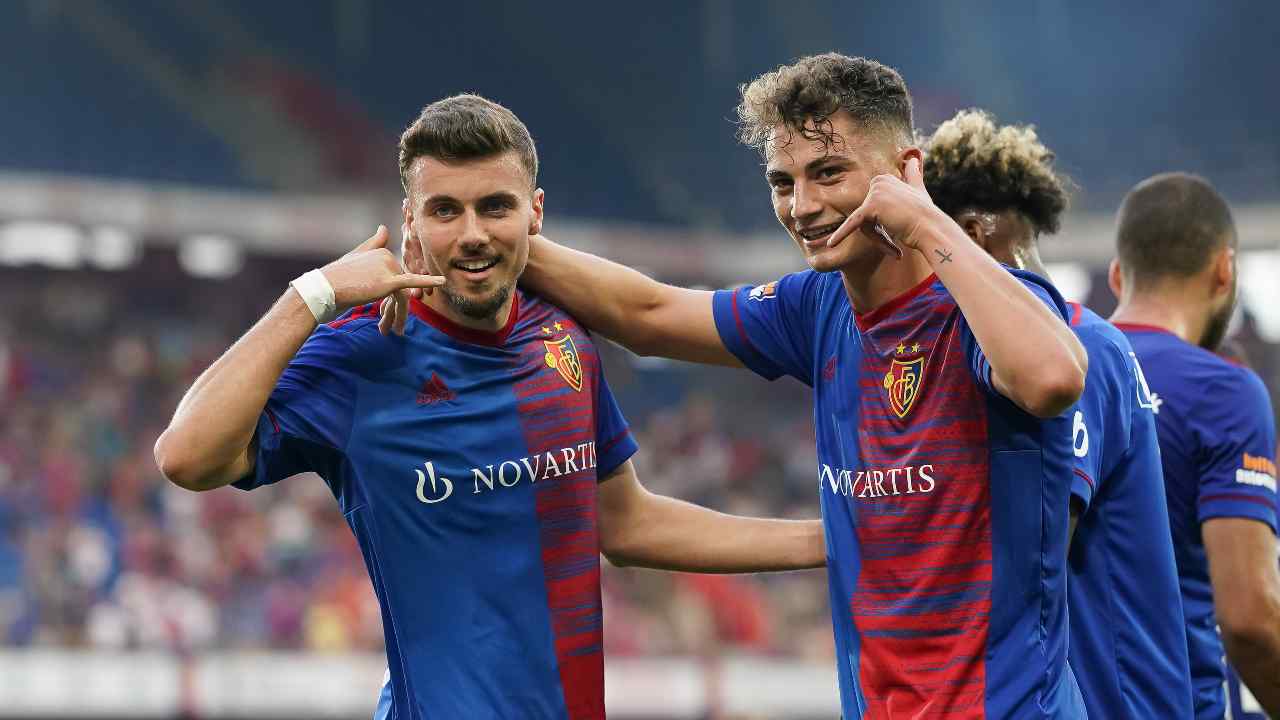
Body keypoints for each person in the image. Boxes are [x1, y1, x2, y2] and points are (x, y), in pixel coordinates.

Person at [432, 54, 1090, 718]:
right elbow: (650, 315)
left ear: (905, 170)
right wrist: (481, 237)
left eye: (828, 173)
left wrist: (924, 221)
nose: (803, 206)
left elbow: (1053, 380)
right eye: (784, 181)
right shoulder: (815, 309)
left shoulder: (991, 305)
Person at [153, 94, 826, 720]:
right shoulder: (362, 352)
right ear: (411, 220)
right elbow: (186, 456)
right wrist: (314, 294)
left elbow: (624, 524)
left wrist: (828, 539)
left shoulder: (563, 338)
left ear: (534, 211)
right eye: (445, 210)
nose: (472, 233)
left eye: (494, 207)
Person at [921, 109, 1193, 718]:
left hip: (1108, 700)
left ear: (972, 232)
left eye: (927, 247)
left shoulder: (1076, 345)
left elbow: (1035, 548)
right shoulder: (1043, 352)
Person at [1109, 172, 1280, 719]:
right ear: (1224, 269)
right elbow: (1250, 619)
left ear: (1118, 275)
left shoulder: (1060, 367)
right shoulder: (1223, 391)